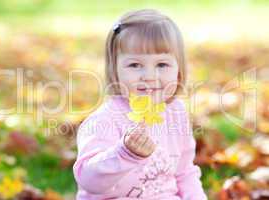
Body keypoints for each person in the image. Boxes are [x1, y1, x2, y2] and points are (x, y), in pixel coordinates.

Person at [73, 8, 207, 199]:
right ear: (115, 69)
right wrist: (124, 154)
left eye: (162, 65)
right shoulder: (104, 120)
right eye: (135, 65)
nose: (150, 76)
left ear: (179, 69)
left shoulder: (176, 112)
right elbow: (89, 181)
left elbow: (184, 173)